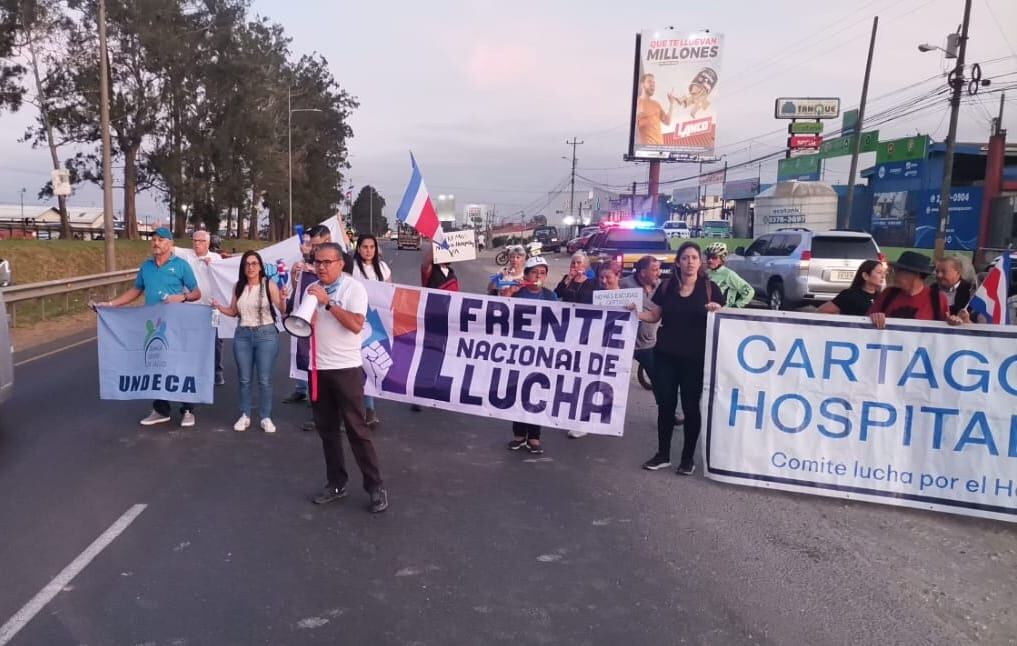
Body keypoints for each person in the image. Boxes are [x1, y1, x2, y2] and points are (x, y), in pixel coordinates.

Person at [306, 242, 388, 513]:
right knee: (327, 430)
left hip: (346, 368)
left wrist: (327, 303)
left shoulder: (353, 288)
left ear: (341, 263)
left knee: (356, 429)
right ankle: (336, 483)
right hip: (318, 368)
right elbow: (299, 323)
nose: (321, 266)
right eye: (317, 261)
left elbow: (355, 325)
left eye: (327, 262)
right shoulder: (311, 289)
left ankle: (375, 487)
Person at [631, 242, 724, 475]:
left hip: (694, 359)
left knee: (691, 408)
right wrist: (635, 313)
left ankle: (687, 459)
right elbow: (654, 315)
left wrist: (717, 309)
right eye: (685, 258)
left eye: (694, 257)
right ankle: (663, 454)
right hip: (665, 356)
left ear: (700, 261)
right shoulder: (666, 287)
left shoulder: (711, 288)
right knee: (666, 406)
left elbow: (723, 318)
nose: (690, 262)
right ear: (678, 262)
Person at [98, 227, 202, 427]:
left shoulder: (181, 266)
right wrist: (110, 305)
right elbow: (136, 291)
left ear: (170, 243)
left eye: (161, 240)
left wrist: (182, 296)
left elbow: (196, 292)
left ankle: (188, 409)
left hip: (175, 324)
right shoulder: (146, 267)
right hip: (153, 325)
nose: (156, 243)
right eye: (153, 239)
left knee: (179, 365)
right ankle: (161, 409)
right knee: (155, 365)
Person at [212, 251, 287, 433]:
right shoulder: (239, 286)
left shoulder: (269, 285)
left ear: (260, 266)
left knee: (264, 379)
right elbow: (233, 311)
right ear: (243, 268)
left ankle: (265, 417)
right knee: (244, 379)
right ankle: (244, 414)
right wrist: (219, 307)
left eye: (254, 263)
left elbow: (282, 310)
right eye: (247, 264)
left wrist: (284, 299)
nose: (250, 267)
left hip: (266, 334)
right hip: (243, 334)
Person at [507, 256, 558, 454]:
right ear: (526, 274)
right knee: (518, 390)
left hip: (541, 352)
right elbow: (499, 312)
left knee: (537, 392)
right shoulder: (518, 294)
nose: (538, 276)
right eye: (534, 272)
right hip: (518, 351)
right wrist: (509, 292)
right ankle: (519, 435)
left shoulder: (550, 296)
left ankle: (535, 436)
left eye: (542, 273)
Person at [283, 225, 332, 410]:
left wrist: (308, 263)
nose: (313, 249)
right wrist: (294, 275)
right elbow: (299, 288)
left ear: (327, 241)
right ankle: (310, 397)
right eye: (312, 246)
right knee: (305, 356)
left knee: (323, 365)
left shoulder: (339, 259)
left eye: (317, 245)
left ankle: (325, 408)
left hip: (328, 321)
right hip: (306, 317)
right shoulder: (307, 261)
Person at [349, 233, 392, 427]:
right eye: (365, 247)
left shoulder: (383, 268)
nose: (368, 250)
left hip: (374, 325)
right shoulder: (351, 268)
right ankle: (354, 409)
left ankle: (370, 409)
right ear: (358, 249)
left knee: (369, 366)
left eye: (372, 247)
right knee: (353, 367)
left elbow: (389, 293)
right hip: (354, 322)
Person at [869, 251, 964, 328]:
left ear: (916, 275)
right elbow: (864, 322)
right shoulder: (888, 294)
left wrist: (954, 323)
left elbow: (945, 334)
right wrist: (875, 317)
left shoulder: (938, 299)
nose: (894, 275)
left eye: (899, 271)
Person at [182, 230, 225, 385]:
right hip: (191, 307)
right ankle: (194, 370)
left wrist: (212, 266)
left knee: (216, 340)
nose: (197, 244)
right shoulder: (186, 258)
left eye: (201, 241)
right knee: (192, 340)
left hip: (212, 306)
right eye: (194, 241)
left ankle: (217, 371)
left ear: (208, 243)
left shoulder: (216, 258)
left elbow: (223, 277)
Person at [620, 255, 664, 406]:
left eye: (658, 269)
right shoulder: (625, 284)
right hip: (624, 343)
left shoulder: (660, 286)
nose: (658, 273)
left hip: (647, 344)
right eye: (655, 269)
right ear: (643, 272)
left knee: (658, 378)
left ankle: (667, 410)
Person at [818, 260, 885, 316]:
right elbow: (821, 312)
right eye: (879, 272)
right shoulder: (849, 295)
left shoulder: (882, 297)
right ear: (865, 276)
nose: (883, 276)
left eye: (884, 273)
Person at [705, 242, 754, 308]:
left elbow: (749, 291)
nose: (710, 260)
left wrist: (736, 306)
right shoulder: (706, 273)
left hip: (723, 312)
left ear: (721, 259)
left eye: (714, 257)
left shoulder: (728, 274)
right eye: (708, 257)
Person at [635, 73, 679, 146]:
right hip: (646, 149)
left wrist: (671, 104)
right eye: (649, 81)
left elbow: (667, 122)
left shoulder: (656, 104)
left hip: (659, 148)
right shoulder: (637, 103)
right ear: (642, 84)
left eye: (654, 82)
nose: (653, 84)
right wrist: (639, 117)